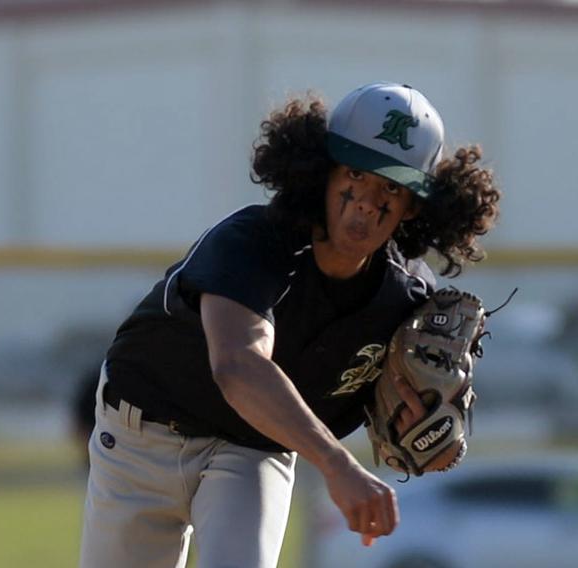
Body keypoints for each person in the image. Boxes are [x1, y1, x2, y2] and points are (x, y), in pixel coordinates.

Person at [78, 82, 501, 568]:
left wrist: (425, 432)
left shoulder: (405, 299)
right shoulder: (252, 242)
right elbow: (238, 367)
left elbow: (431, 444)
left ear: (415, 206)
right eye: (355, 173)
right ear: (321, 173)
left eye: (392, 186)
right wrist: (338, 464)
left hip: (252, 449)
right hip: (143, 434)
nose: (366, 200)